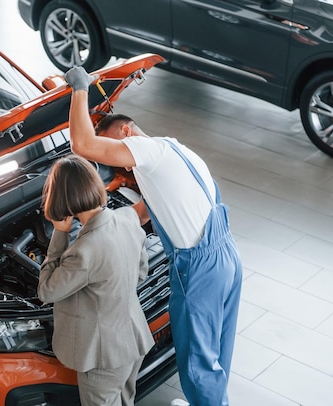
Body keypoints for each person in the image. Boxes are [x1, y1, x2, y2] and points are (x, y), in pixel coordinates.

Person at [64, 66, 243, 406]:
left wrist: (79, 89)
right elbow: (149, 208)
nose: (118, 166)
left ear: (127, 131)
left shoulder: (145, 151)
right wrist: (103, 225)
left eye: (113, 146)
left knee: (197, 362)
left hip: (200, 269)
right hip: (226, 256)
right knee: (215, 350)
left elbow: (83, 144)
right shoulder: (175, 150)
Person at [37, 155, 154, 406]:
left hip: (104, 356)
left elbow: (46, 291)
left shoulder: (84, 251)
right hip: (133, 338)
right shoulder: (126, 218)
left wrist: (60, 234)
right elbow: (140, 272)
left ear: (61, 197)